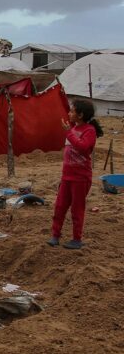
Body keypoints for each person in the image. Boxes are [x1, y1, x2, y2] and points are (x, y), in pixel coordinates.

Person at [47, 99, 104, 250]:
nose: (69, 113)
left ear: (81, 114)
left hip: (81, 177)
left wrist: (69, 132)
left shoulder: (89, 130)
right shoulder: (73, 128)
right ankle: (55, 235)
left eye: (72, 111)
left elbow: (83, 148)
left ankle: (77, 239)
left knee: (77, 209)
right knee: (60, 206)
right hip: (67, 176)